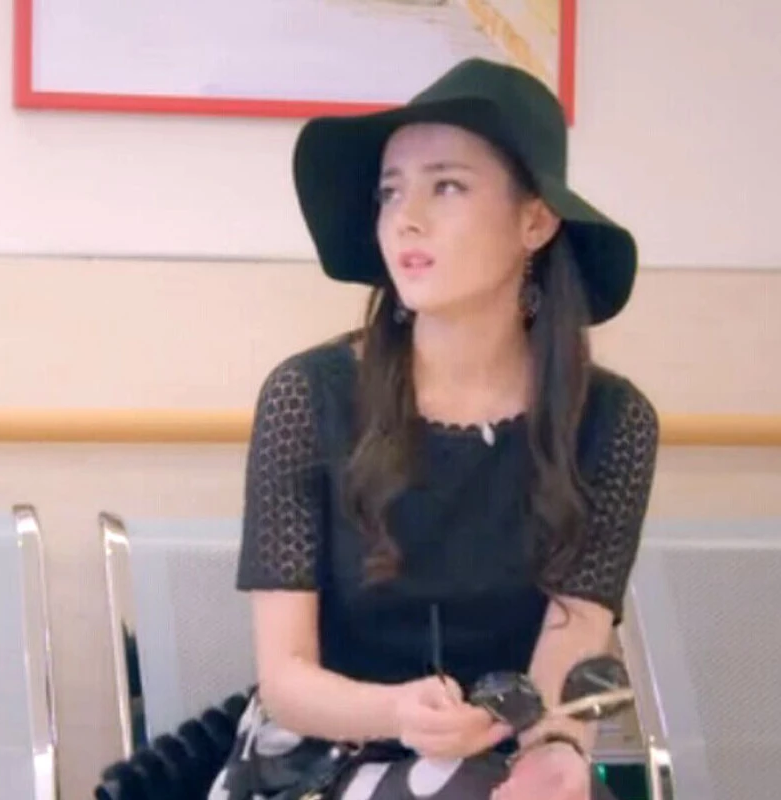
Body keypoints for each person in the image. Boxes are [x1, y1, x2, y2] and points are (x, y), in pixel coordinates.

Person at [210, 58, 659, 800]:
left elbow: (574, 637)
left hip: (503, 750)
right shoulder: (307, 397)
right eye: (391, 191)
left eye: (446, 186)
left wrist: (555, 750)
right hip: (320, 753)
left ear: (535, 220)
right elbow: (286, 681)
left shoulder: (613, 423)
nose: (406, 217)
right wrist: (399, 712)